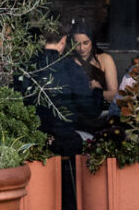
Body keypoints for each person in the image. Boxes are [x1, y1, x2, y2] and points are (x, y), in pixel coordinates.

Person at [24, 21, 98, 150]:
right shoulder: (72, 68)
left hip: (31, 142)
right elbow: (91, 111)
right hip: (65, 141)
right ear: (63, 40)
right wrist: (97, 91)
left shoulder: (26, 68)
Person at [70, 22, 119, 104]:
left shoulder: (105, 59)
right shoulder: (69, 61)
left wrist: (98, 92)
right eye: (77, 44)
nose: (81, 48)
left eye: (86, 43)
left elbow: (114, 94)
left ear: (92, 41)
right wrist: (95, 93)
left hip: (102, 109)